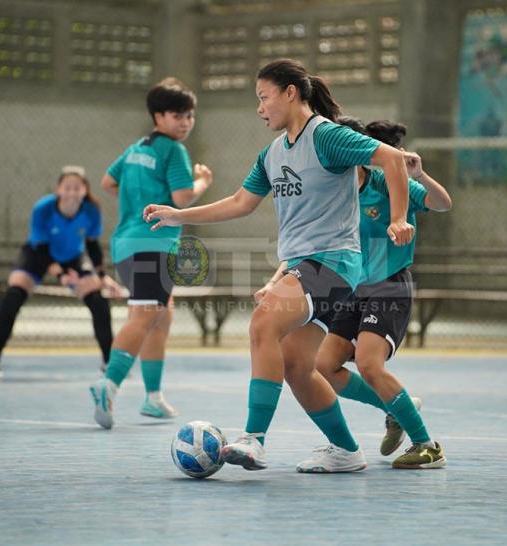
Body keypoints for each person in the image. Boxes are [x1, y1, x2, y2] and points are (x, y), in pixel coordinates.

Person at [144, 59, 414, 473]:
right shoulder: (271, 154)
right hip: (310, 266)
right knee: (297, 366)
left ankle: (254, 438)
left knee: (262, 322)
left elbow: (393, 159)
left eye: (263, 97)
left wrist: (397, 218)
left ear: (291, 93)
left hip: (334, 261)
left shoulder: (326, 136)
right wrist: (179, 215)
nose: (259, 108)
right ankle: (346, 450)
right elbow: (239, 203)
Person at [315, 116, 452, 469]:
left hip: (390, 285)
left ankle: (427, 445)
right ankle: (396, 408)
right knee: (324, 366)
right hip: (353, 291)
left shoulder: (386, 183)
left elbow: (442, 203)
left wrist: (418, 175)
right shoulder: (333, 192)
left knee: (369, 365)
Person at [89, 77, 212, 428]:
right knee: (144, 317)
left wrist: (137, 201)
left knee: (162, 315)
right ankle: (108, 384)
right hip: (153, 243)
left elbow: (108, 182)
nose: (185, 122)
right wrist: (203, 180)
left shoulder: (134, 149)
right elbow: (183, 198)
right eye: (177, 115)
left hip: (127, 242)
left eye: (189, 115)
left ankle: (153, 397)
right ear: (158, 116)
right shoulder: (175, 151)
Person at [0, 165, 120, 379]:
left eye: (77, 187)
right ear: (58, 189)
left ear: (85, 190)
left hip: (72, 258)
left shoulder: (91, 210)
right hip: (37, 256)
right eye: (67, 187)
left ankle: (110, 363)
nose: (72, 192)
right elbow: (42, 251)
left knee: (98, 301)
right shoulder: (43, 209)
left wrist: (101, 275)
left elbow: (92, 245)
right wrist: (62, 276)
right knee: (12, 297)